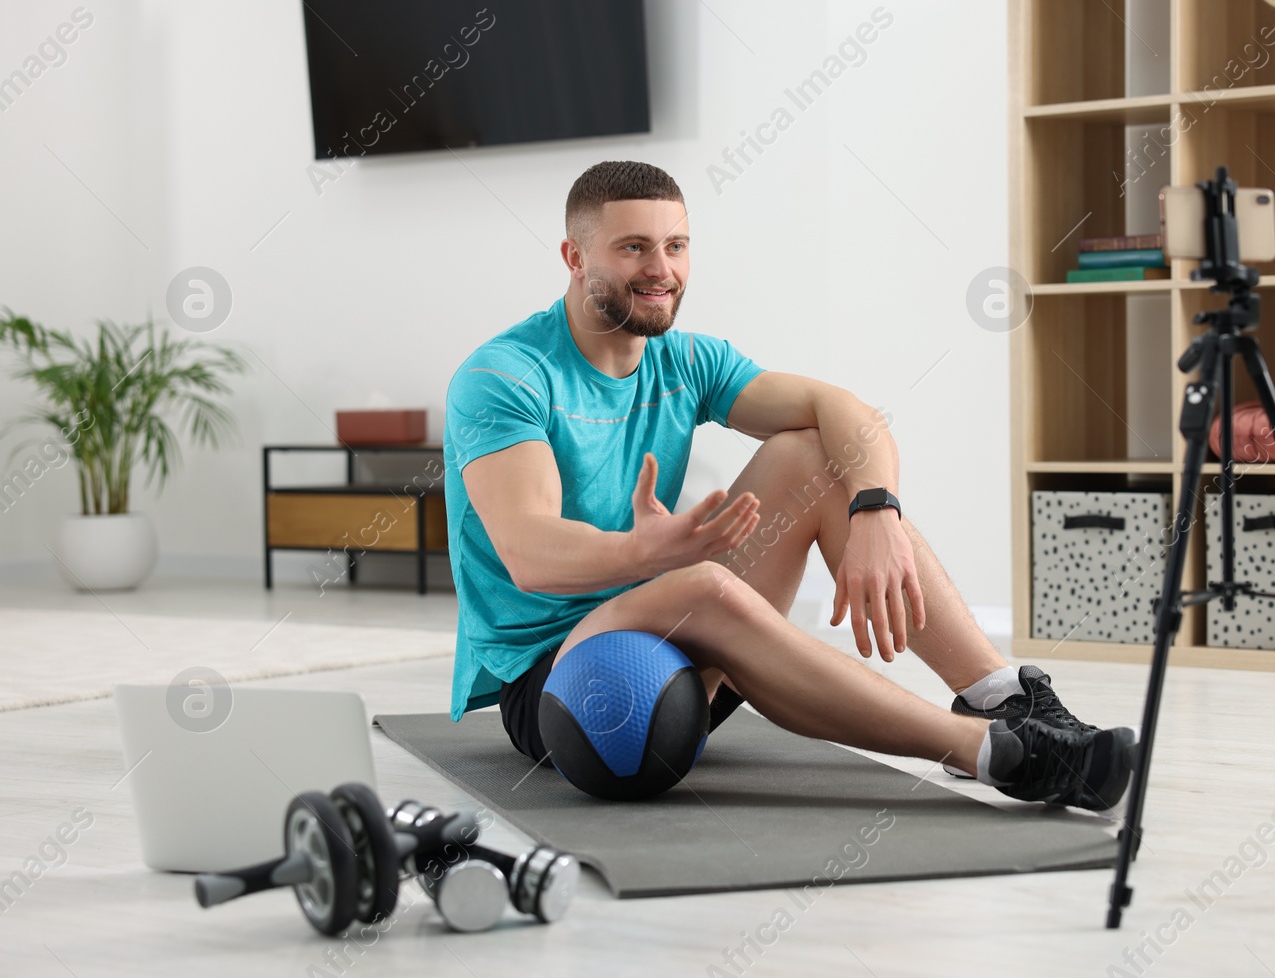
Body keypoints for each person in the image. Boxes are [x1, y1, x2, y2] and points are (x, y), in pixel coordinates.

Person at [443, 160, 1135, 808]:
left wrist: (876, 511)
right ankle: (987, 753)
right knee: (705, 586)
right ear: (575, 257)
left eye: (676, 246)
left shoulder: (686, 358)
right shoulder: (505, 375)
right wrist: (650, 555)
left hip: (675, 642)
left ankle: (998, 696)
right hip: (558, 684)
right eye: (633, 248)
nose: (662, 270)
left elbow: (844, 412)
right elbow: (528, 554)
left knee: (813, 455)